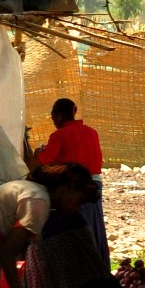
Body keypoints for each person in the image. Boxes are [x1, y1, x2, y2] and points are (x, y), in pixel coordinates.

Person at [21, 163, 125, 288]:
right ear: (67, 189)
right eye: (79, 200)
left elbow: (90, 269)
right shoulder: (47, 214)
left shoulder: (70, 217)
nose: (78, 206)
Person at [25, 97, 107, 260]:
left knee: (78, 230)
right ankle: (99, 263)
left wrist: (33, 149)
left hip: (74, 188)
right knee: (95, 227)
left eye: (53, 116)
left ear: (59, 115)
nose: (53, 120)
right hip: (95, 183)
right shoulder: (91, 131)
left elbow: (40, 163)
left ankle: (83, 264)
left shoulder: (59, 135)